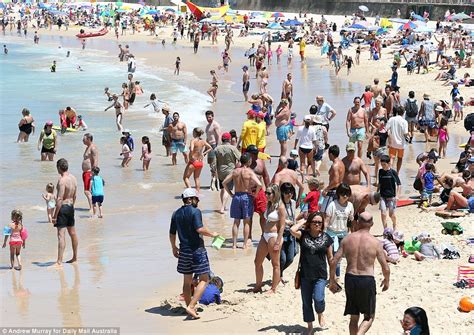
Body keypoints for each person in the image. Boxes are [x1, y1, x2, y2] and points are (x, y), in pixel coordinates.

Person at [329, 212, 390, 335]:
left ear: (357, 223)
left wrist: (332, 280)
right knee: (369, 316)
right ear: (372, 224)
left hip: (350, 278)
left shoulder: (347, 239)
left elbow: (334, 261)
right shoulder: (375, 242)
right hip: (366, 279)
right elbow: (386, 267)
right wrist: (386, 280)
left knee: (354, 317)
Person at [169, 188, 218, 319]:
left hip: (183, 251)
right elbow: (199, 229)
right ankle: (191, 306)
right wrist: (213, 234)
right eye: (197, 198)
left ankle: (189, 306)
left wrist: (173, 247)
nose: (198, 200)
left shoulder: (176, 213)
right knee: (204, 279)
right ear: (191, 199)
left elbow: (172, 233)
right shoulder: (195, 211)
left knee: (187, 281)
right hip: (196, 250)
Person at [291, 212, 333, 333]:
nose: (317, 224)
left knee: (319, 299)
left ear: (323, 224)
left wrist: (333, 276)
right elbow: (292, 229)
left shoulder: (326, 238)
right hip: (305, 274)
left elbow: (330, 258)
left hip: (321, 274)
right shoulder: (303, 235)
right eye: (314, 222)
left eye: (319, 222)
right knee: (306, 301)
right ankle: (310, 326)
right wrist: (304, 221)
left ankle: (320, 312)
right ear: (310, 223)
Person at [223, 154, 262, 249]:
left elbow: (224, 182)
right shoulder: (249, 172)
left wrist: (231, 193)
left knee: (236, 222)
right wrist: (255, 195)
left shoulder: (235, 171)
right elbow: (259, 184)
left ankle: (234, 244)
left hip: (236, 196)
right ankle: (244, 244)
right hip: (246, 196)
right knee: (246, 222)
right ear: (248, 161)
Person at [253, 184, 285, 293]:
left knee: (275, 264)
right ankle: (258, 285)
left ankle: (274, 288)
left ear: (275, 193)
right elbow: (264, 219)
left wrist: (278, 242)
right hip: (265, 235)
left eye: (268, 193)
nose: (266, 195)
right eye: (265, 193)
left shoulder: (280, 207)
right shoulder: (269, 204)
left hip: (274, 236)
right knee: (257, 261)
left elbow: (282, 226)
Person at [52, 158, 78, 266]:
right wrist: (72, 206)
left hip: (63, 208)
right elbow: (75, 195)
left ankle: (59, 261)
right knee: (72, 233)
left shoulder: (62, 180)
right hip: (71, 206)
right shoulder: (73, 178)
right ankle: (75, 257)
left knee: (61, 235)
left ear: (59, 168)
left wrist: (54, 215)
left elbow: (59, 199)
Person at [325, 183, 354, 279]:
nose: (345, 196)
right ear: (338, 194)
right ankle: (334, 276)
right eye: (343, 194)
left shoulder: (350, 205)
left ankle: (336, 275)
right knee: (333, 256)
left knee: (340, 257)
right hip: (331, 233)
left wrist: (351, 233)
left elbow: (350, 220)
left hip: (344, 234)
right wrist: (322, 233)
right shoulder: (332, 205)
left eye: (347, 194)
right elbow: (327, 220)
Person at [215, 132, 241, 214]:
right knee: (227, 189)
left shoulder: (217, 149)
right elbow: (240, 158)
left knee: (222, 189)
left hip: (220, 171)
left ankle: (223, 205)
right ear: (229, 139)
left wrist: (214, 172)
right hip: (230, 171)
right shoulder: (233, 148)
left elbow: (213, 162)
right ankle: (222, 208)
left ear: (222, 139)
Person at [183, 128, 212, 194]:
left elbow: (191, 150)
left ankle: (190, 192)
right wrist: (203, 154)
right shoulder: (203, 141)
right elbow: (210, 148)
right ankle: (198, 194)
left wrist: (190, 157)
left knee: (185, 178)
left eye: (193, 132)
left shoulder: (193, 140)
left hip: (193, 162)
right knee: (197, 178)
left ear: (195, 133)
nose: (192, 134)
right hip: (200, 162)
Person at [377, 155, 401, 229]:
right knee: (383, 213)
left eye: (384, 164)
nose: (383, 166)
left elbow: (399, 185)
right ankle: (385, 229)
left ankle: (394, 224)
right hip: (382, 196)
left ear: (389, 163)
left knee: (391, 215)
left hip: (391, 196)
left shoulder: (393, 172)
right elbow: (380, 184)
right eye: (382, 164)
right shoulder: (380, 172)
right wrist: (376, 193)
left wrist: (397, 196)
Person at [321, 145, 345, 212]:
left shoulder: (335, 166)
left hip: (333, 191)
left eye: (328, 154)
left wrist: (326, 189)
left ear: (331, 154)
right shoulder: (341, 163)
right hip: (339, 190)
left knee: (324, 211)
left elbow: (335, 182)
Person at [386, 106, 409, 173]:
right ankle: (397, 172)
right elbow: (405, 133)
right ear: (403, 113)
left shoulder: (391, 119)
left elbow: (386, 128)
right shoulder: (404, 122)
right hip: (401, 144)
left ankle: (389, 171)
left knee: (391, 158)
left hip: (392, 142)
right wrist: (408, 135)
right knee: (400, 158)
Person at [82, 133, 99, 212]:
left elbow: (95, 160)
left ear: (88, 139)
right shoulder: (87, 147)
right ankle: (92, 206)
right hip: (85, 173)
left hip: (89, 172)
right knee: (88, 191)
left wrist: (93, 173)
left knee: (87, 191)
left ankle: (92, 207)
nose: (83, 140)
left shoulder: (93, 148)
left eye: (84, 139)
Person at [205, 111, 221, 190]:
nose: (208, 119)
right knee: (211, 164)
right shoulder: (207, 126)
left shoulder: (215, 125)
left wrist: (217, 147)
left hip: (214, 145)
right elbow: (207, 138)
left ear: (213, 117)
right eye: (207, 117)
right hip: (209, 146)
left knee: (214, 165)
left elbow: (218, 136)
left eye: (210, 117)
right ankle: (214, 181)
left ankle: (214, 183)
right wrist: (205, 148)